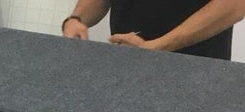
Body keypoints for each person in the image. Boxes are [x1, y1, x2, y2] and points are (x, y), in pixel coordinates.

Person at [61, 0, 245, 60]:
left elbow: (234, 5)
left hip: (195, 75)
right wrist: (77, 19)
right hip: (126, 67)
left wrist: (157, 47)